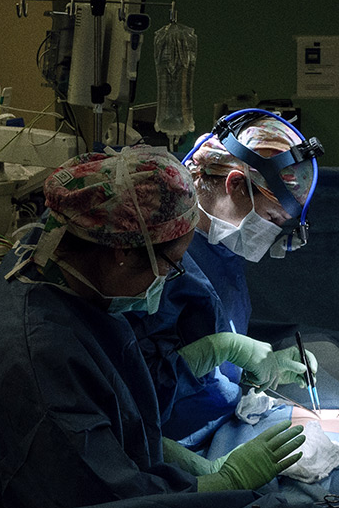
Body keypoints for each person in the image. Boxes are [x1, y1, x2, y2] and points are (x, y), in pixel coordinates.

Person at [0, 148, 305, 508]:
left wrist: (214, 355)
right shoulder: (37, 355)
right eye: (170, 265)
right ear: (121, 253)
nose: (169, 280)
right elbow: (107, 499)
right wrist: (218, 484)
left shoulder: (67, 263)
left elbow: (117, 398)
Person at [129, 110, 322, 441]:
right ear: (235, 185)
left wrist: (253, 368)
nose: (275, 230)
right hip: (166, 440)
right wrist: (223, 351)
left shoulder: (224, 252)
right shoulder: (163, 255)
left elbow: (213, 350)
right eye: (273, 217)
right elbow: (133, 385)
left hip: (211, 425)